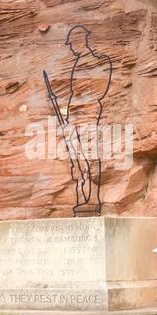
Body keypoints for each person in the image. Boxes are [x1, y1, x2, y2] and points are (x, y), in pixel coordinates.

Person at [43, 24, 113, 217]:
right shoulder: (77, 64)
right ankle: (84, 197)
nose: (72, 47)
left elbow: (98, 91)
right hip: (74, 117)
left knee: (90, 157)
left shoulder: (100, 62)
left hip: (88, 116)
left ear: (82, 41)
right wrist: (68, 117)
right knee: (78, 160)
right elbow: (76, 93)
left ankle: (93, 199)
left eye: (73, 43)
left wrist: (80, 105)